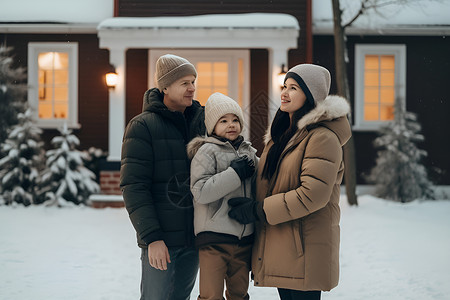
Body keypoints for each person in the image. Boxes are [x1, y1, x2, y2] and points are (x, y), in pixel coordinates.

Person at [228, 64, 351, 300]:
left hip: (303, 248)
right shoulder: (284, 136)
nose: (284, 93)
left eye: (293, 88)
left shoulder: (322, 137)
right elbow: (273, 181)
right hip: (285, 246)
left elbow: (312, 194)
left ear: (311, 95)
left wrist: (259, 210)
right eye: (284, 86)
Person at [120, 54, 205, 300]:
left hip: (193, 237)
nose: (192, 88)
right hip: (162, 241)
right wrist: (152, 238)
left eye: (193, 81)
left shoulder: (200, 123)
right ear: (165, 87)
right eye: (184, 83)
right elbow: (134, 187)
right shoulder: (142, 127)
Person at [187, 92, 258, 300]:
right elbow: (200, 192)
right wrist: (234, 174)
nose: (231, 124)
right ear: (212, 126)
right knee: (211, 294)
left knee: (239, 293)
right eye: (224, 120)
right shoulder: (206, 151)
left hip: (244, 240)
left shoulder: (249, 152)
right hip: (214, 240)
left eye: (235, 119)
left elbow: (264, 181)